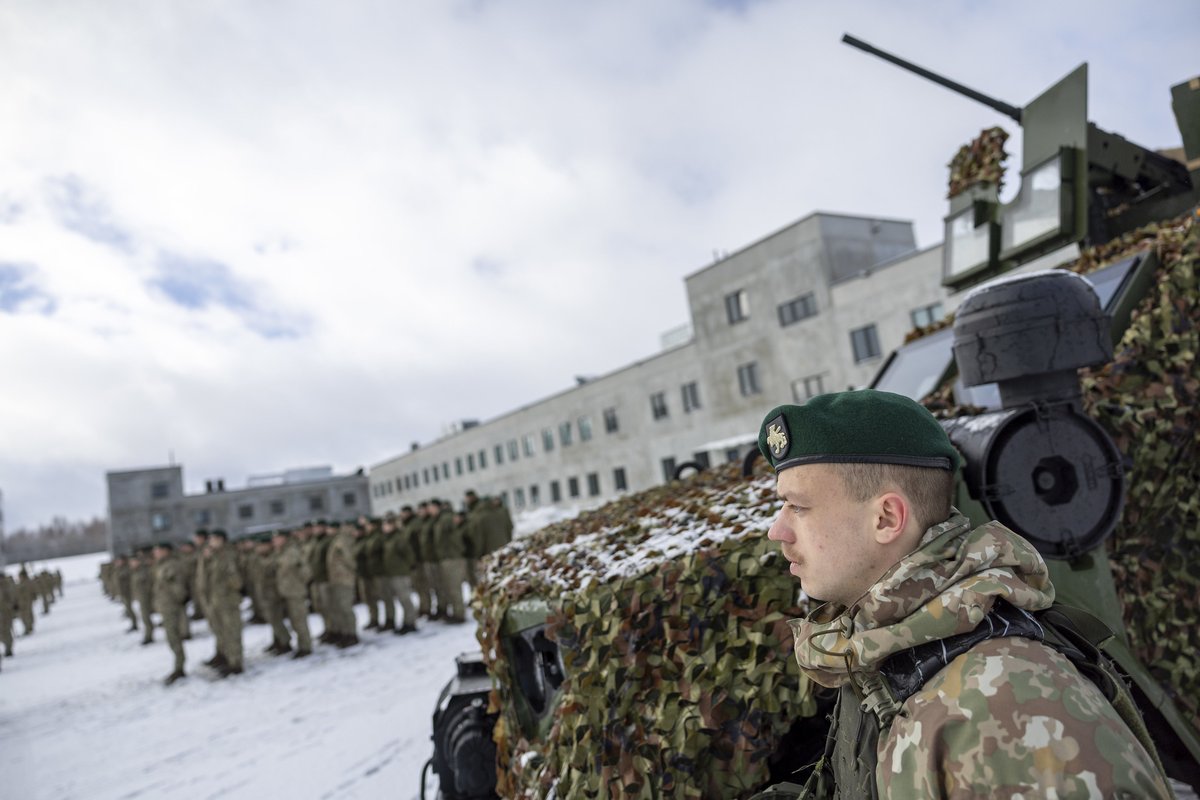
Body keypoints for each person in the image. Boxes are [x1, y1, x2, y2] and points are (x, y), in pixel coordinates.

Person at [754, 390, 1170, 798]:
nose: (778, 530)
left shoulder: (1008, 704)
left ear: (886, 518)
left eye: (798, 507)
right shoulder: (881, 645)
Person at [151, 542, 188, 686]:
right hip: (165, 606)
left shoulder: (172, 565)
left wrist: (177, 601)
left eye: (158, 550)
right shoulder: (160, 564)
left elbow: (178, 587)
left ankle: (179, 667)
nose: (155, 553)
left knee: (174, 637)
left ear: (166, 551)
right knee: (171, 638)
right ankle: (178, 666)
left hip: (172, 606)